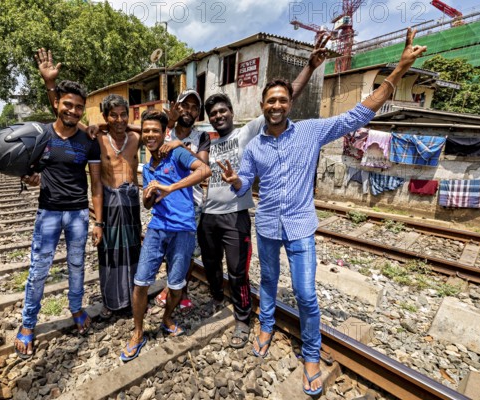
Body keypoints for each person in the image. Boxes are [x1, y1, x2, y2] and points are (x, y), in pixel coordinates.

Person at [218, 28, 426, 396]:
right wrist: (235, 179)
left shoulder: (311, 132)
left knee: (306, 294)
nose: (277, 105)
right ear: (263, 106)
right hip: (266, 225)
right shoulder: (253, 147)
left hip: (300, 228)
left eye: (282, 100)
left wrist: (397, 70)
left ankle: (310, 354)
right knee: (266, 282)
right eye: (271, 101)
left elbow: (359, 114)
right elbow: (243, 185)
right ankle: (266, 326)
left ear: (289, 104)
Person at [199, 34, 330, 350]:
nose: (218, 116)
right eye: (213, 113)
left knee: (238, 273)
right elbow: (173, 132)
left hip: (235, 216)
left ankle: (243, 319)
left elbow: (283, 99)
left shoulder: (249, 133)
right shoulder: (205, 141)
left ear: (232, 112)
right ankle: (217, 298)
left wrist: (310, 68)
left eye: (223, 111)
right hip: (207, 215)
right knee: (211, 266)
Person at [35, 49, 142, 320]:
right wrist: (50, 84)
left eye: (123, 115)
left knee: (132, 253)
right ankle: (111, 301)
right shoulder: (95, 136)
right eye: (113, 115)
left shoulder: (134, 138)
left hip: (131, 204)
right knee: (109, 255)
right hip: (109, 203)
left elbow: (157, 131)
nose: (119, 120)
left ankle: (132, 298)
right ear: (104, 117)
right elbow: (65, 114)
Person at [14, 80, 104, 359]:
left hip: (78, 214)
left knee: (77, 266)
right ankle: (28, 324)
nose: (73, 111)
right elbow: (30, 172)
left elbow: (97, 185)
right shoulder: (41, 137)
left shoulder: (88, 140)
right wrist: (29, 179)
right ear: (56, 103)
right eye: (68, 104)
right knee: (39, 270)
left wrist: (98, 222)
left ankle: (76, 308)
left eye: (79, 107)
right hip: (49, 213)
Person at [120, 110, 211, 361]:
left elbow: (204, 171)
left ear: (164, 133)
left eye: (155, 131)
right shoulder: (148, 167)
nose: (150, 135)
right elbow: (149, 205)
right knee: (140, 283)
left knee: (176, 285)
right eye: (146, 130)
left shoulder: (176, 153)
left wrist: (171, 187)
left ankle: (167, 318)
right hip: (158, 228)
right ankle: (138, 333)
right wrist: (149, 197)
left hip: (183, 229)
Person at [154, 89, 210, 314]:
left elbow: (204, 166)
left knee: (187, 251)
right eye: (185, 105)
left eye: (195, 107)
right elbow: (154, 152)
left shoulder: (201, 137)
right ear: (177, 106)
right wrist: (169, 125)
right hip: (166, 200)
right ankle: (171, 286)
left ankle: (182, 290)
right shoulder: (164, 130)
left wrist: (180, 146)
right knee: (169, 250)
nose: (190, 110)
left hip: (191, 202)